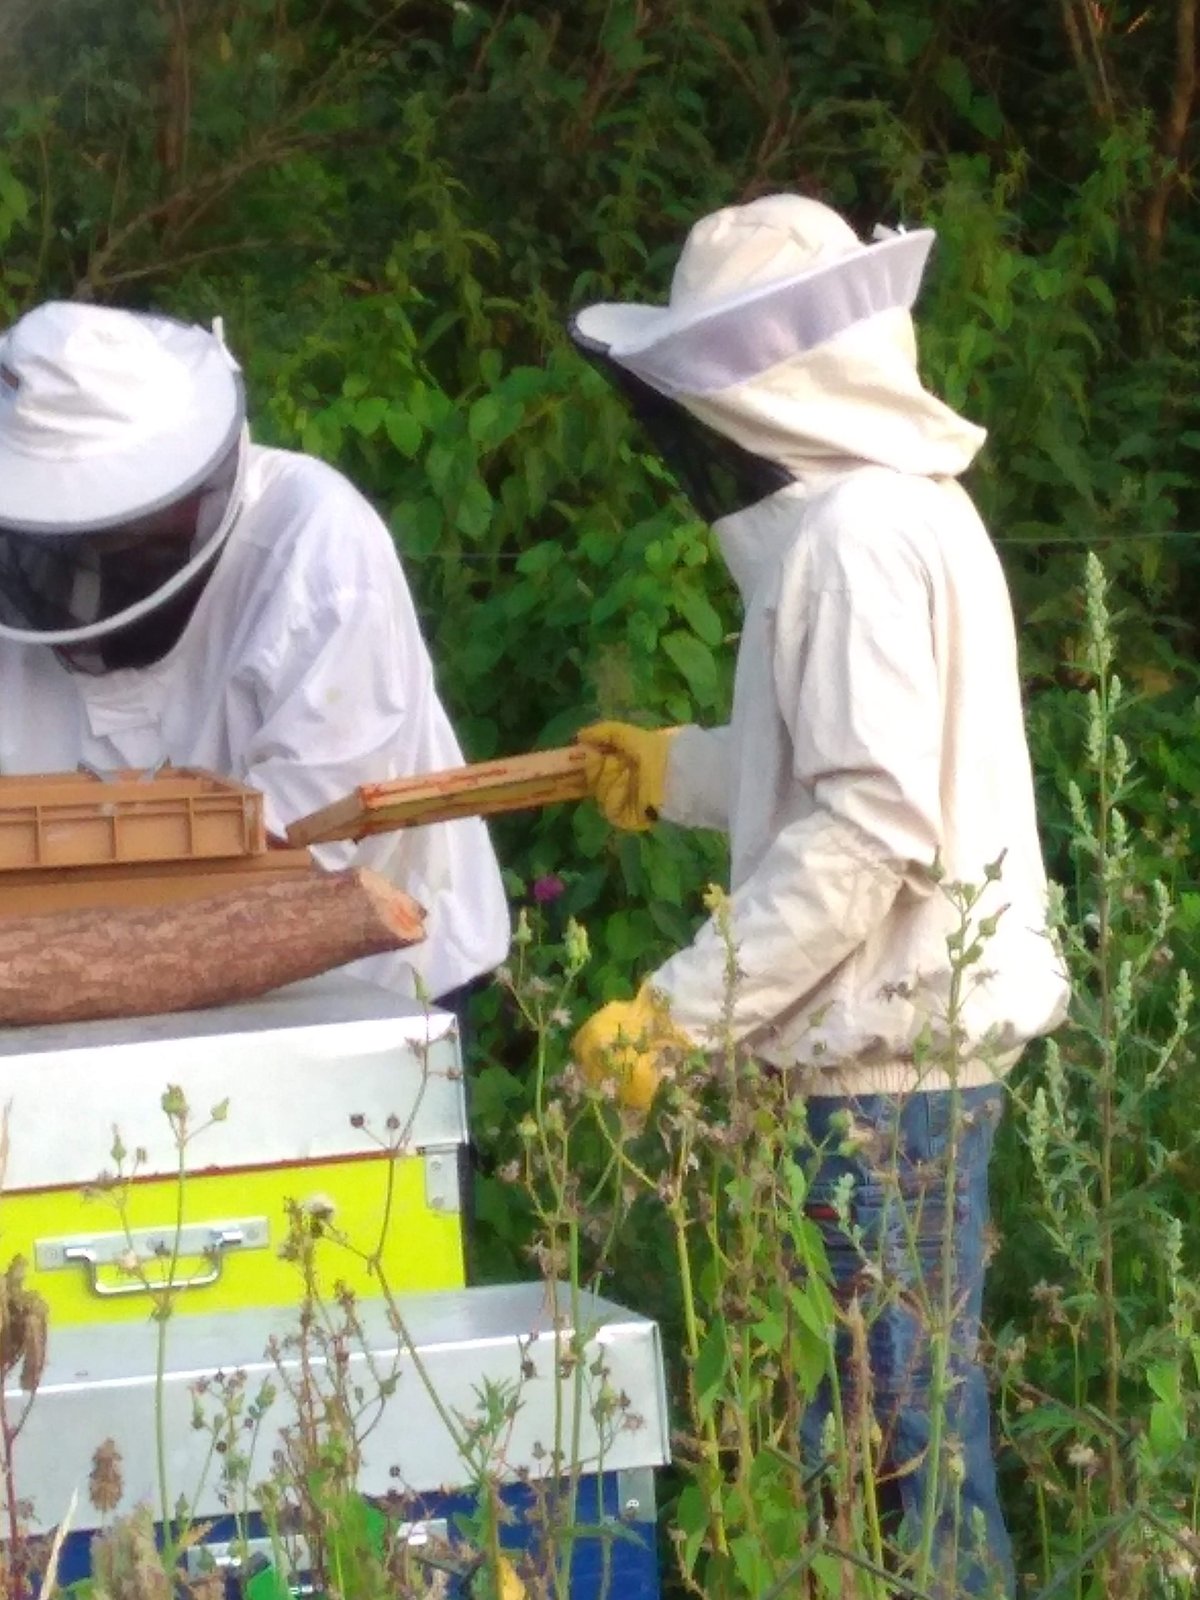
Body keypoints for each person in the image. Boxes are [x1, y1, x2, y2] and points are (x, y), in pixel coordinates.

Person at [568, 195, 1069, 1596]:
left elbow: (864, 831)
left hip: (887, 1080)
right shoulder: (903, 514)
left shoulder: (852, 538)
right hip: (911, 1070)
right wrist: (678, 771)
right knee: (895, 1445)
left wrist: (675, 1014)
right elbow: (839, 770)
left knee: (894, 1459)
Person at [0, 300, 510, 1008]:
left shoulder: (321, 556)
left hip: (369, 979)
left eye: (128, 537)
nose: (91, 567)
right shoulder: (23, 559)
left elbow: (303, 845)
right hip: (76, 979)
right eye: (69, 539)